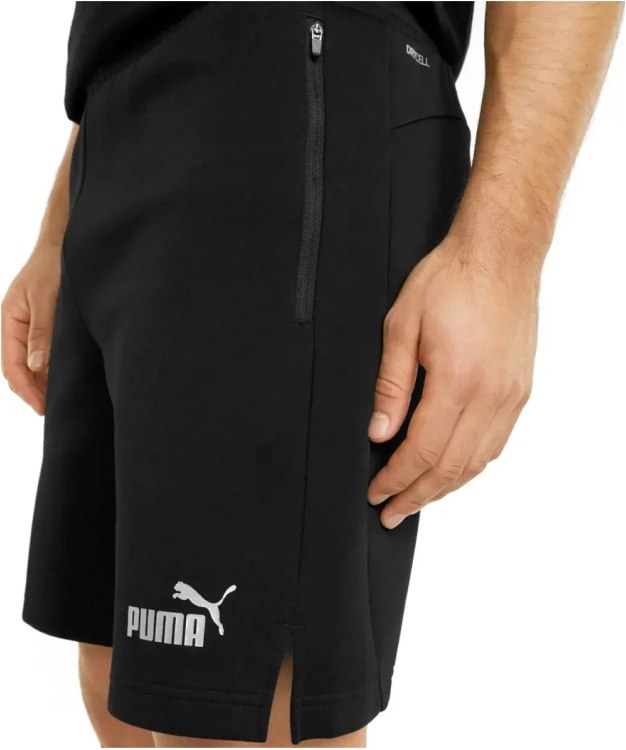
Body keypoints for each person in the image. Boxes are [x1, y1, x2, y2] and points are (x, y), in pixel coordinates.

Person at [2, 2, 621, 748]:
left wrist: (502, 258)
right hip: (124, 116)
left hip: (297, 87)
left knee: (232, 706)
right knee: (125, 677)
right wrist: (63, 216)